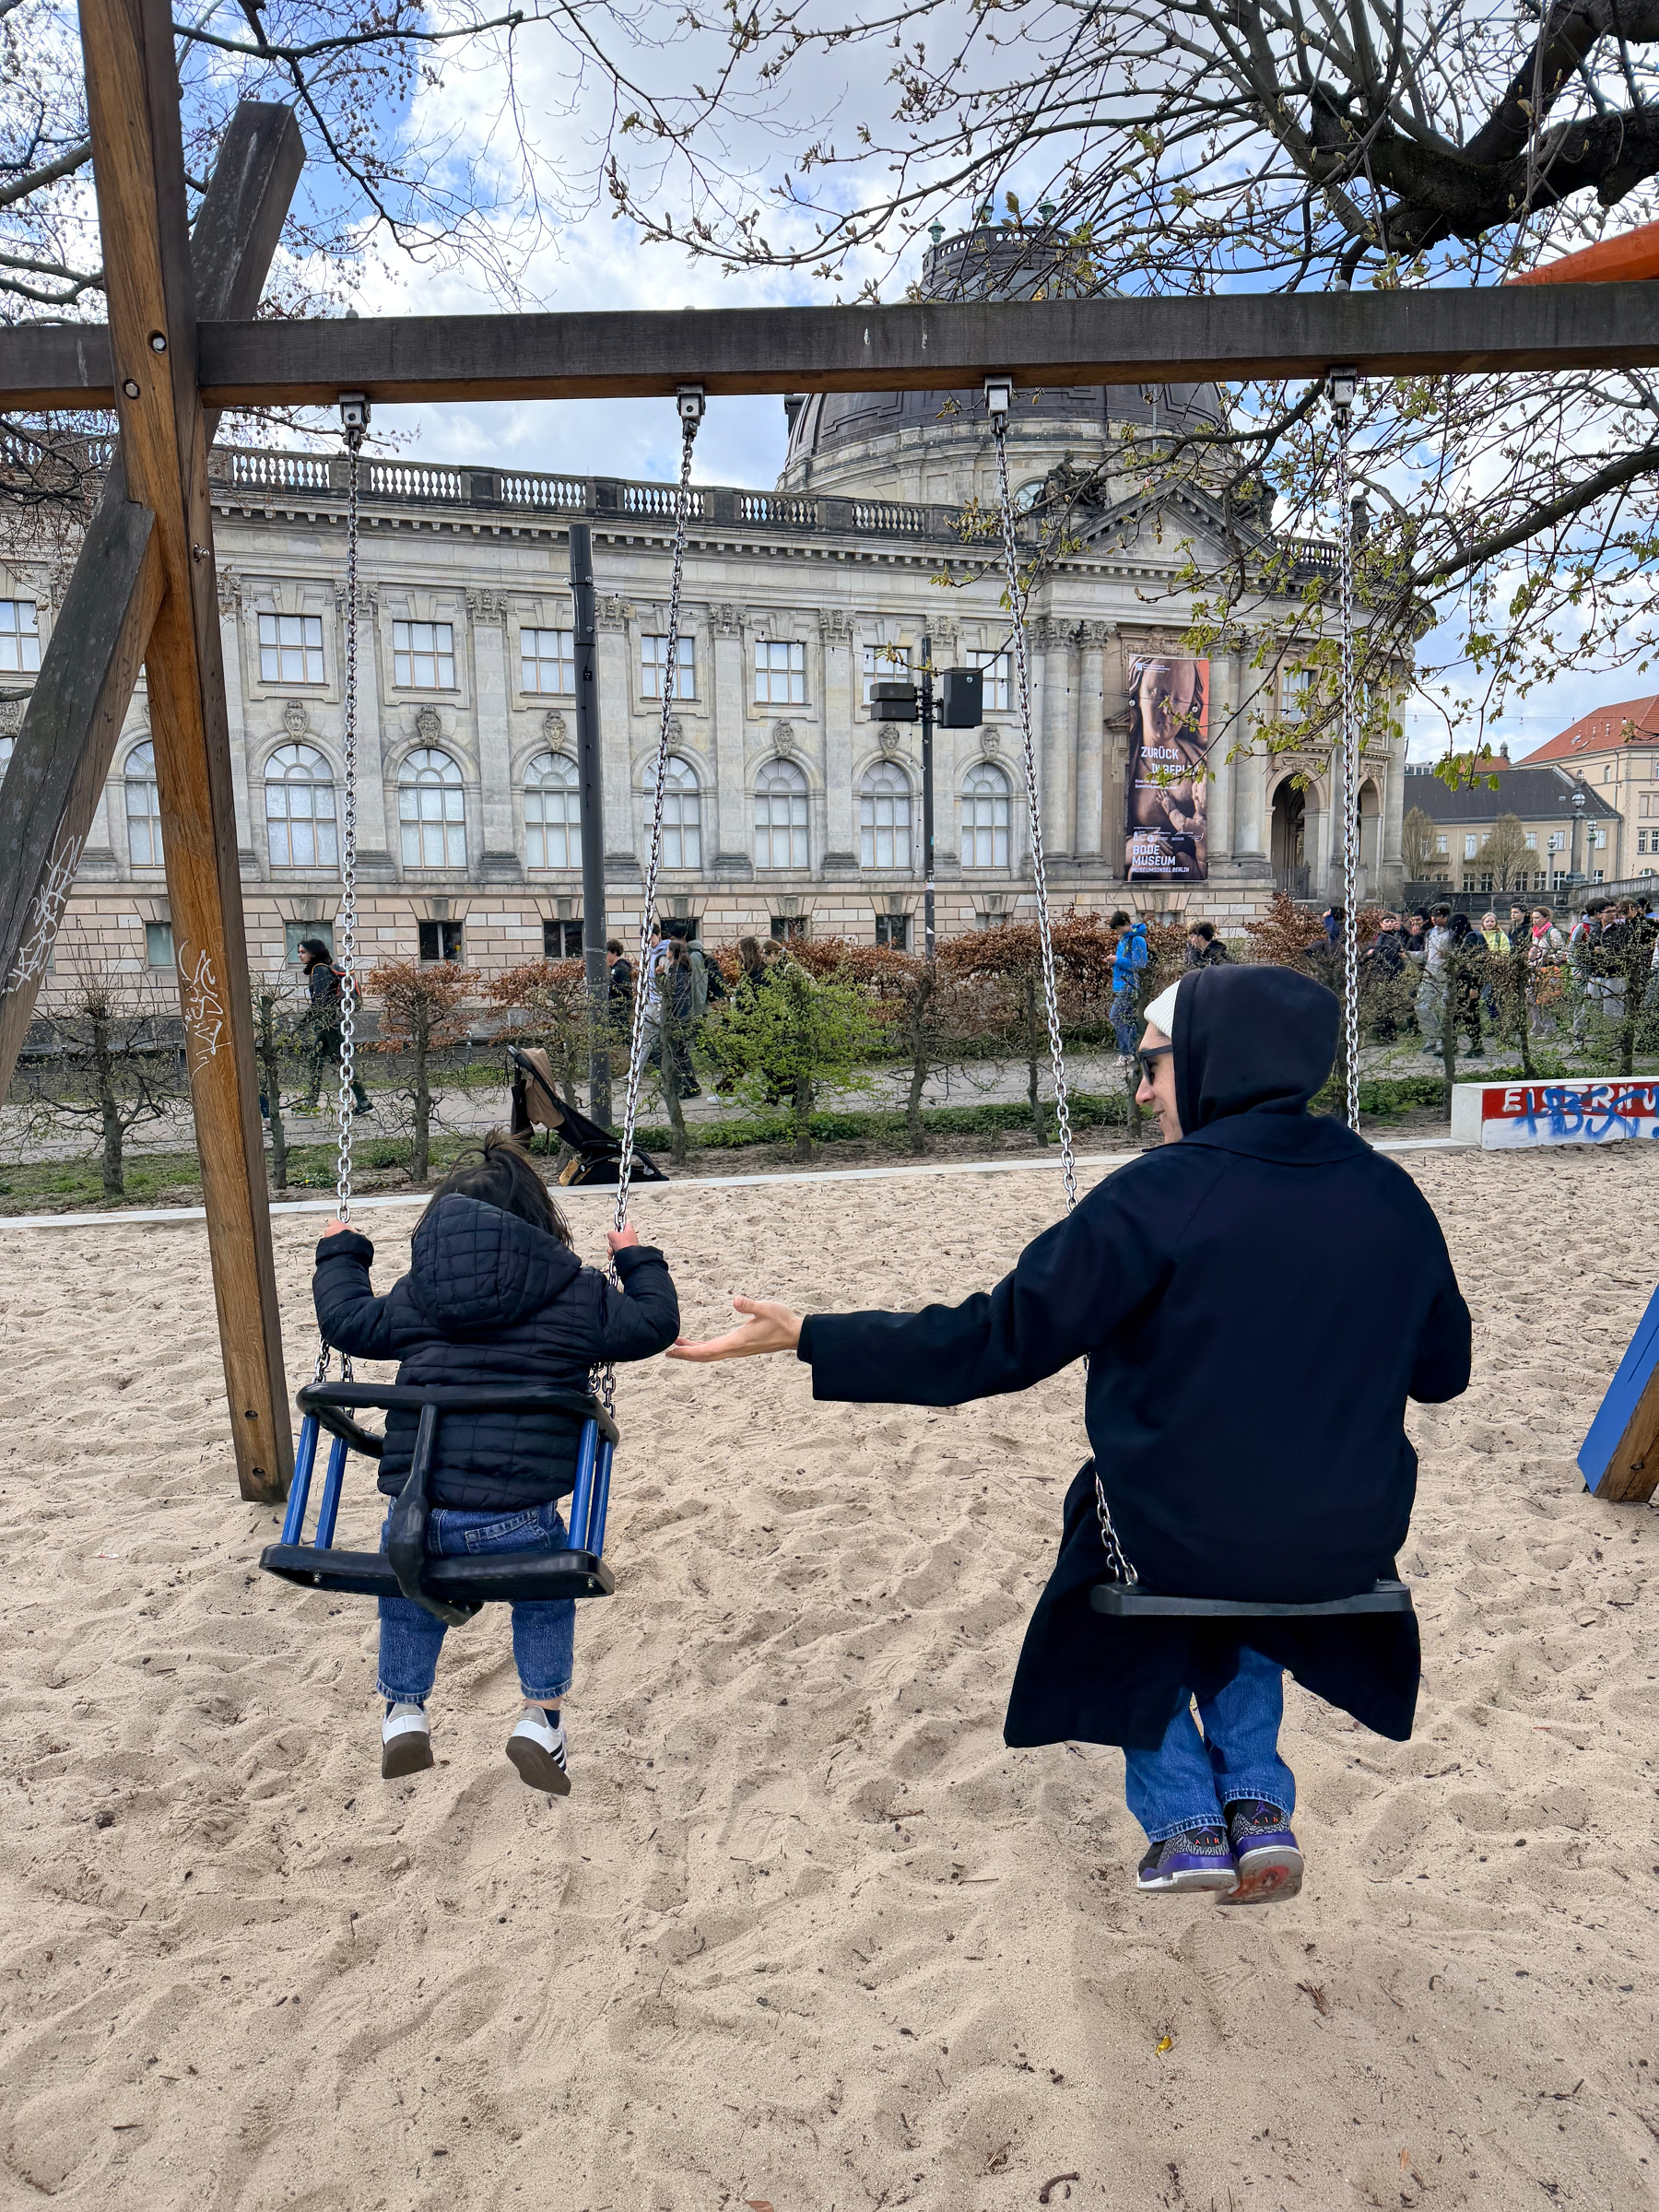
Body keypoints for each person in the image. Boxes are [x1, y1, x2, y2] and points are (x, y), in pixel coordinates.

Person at [670, 966, 1471, 1903]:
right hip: (1344, 1539)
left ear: (1212, 1063)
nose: (1142, 1093)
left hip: (1184, 1535)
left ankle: (1184, 1823)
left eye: (1152, 1067)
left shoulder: (1159, 1194)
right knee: (1248, 1574)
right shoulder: (1390, 1194)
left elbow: (995, 1343)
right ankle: (1257, 1803)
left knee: (1121, 1549)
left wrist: (814, 1334)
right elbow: (1442, 1373)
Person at [312, 1132, 679, 1789]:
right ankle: (541, 1718)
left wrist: (343, 1251)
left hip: (420, 1509)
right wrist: (635, 1258)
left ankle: (404, 1712)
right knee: (545, 1592)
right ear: (540, 1222)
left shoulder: (418, 1294)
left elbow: (347, 1323)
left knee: (407, 1589)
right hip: (519, 1514)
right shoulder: (579, 1291)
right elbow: (654, 1326)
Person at [298, 936, 371, 1114]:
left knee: (341, 1063)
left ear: (313, 953)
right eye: (299, 952)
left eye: (303, 952)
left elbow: (322, 1002)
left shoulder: (319, 970)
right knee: (316, 1059)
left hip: (330, 1025)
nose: (300, 956)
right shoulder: (322, 968)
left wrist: (302, 1023)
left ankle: (363, 1102)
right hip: (329, 1024)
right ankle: (311, 1101)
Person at [1416, 905, 1453, 1056]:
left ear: (1445, 917)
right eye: (1432, 916)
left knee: (1443, 1010)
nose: (1434, 919)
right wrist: (1410, 955)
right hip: (1429, 974)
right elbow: (1427, 954)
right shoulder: (1431, 933)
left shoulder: (1452, 933)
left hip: (1445, 976)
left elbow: (1458, 955)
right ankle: (1431, 1038)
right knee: (1421, 1007)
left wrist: (1448, 955)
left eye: (1437, 916)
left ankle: (1443, 1043)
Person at [1110, 912, 1149, 1055]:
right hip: (1122, 985)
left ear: (1126, 924)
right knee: (1127, 1021)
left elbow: (1140, 964)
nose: (1118, 931)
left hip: (1130, 986)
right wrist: (1113, 962)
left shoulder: (1137, 940)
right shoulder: (1123, 940)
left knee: (1116, 1016)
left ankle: (1125, 1053)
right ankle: (1131, 1052)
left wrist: (1117, 961)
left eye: (1118, 928)